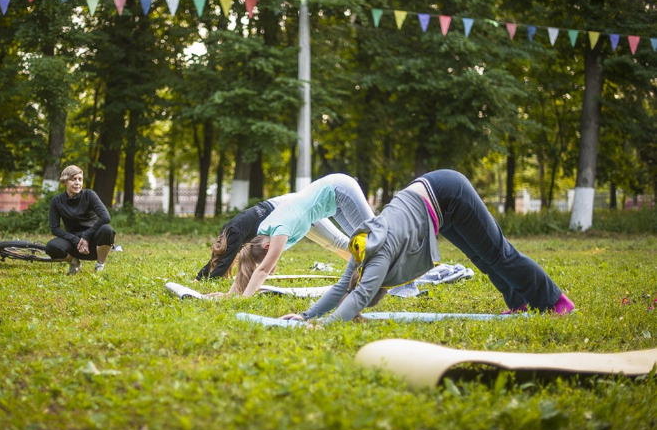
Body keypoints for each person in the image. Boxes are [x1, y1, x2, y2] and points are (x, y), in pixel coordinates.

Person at [281, 169, 575, 324]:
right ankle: (519, 301)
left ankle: (555, 301)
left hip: (448, 193)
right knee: (480, 256)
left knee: (497, 252)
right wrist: (306, 316)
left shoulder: (377, 255)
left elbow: (359, 296)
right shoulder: (362, 250)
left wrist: (321, 326)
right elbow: (342, 287)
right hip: (434, 204)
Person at [227, 173, 375, 297]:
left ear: (267, 247)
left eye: (268, 257)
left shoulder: (279, 232)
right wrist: (230, 294)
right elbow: (247, 263)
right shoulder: (262, 233)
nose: (273, 261)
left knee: (377, 237)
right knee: (359, 243)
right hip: (333, 202)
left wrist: (245, 299)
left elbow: (263, 270)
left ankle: (394, 284)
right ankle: (371, 273)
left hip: (340, 190)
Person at [195, 194, 351, 281]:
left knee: (337, 242)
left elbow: (225, 260)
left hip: (293, 209)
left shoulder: (234, 234)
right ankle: (365, 266)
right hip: (286, 210)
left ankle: (371, 262)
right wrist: (199, 278)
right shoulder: (228, 230)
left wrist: (209, 280)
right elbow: (220, 259)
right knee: (332, 245)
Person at [45, 165, 116, 274]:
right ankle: (74, 263)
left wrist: (86, 236)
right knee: (51, 247)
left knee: (107, 230)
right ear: (65, 181)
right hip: (73, 242)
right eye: (73, 179)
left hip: (93, 240)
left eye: (80, 179)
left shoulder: (89, 195)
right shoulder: (56, 201)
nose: (77, 182)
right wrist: (76, 240)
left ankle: (100, 265)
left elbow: (105, 217)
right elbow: (55, 228)